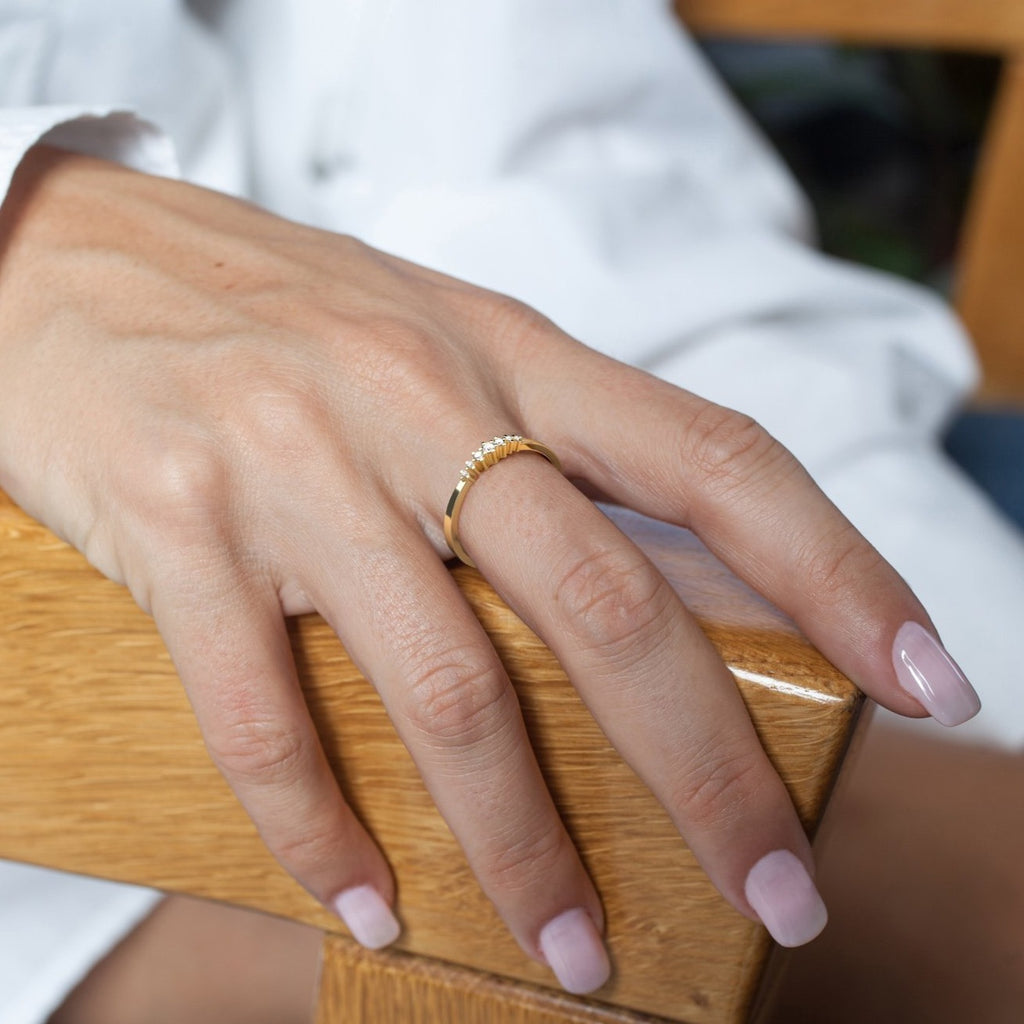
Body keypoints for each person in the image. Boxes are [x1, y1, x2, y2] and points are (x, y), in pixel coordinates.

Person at [2, 1, 1018, 1020]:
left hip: (482, 496)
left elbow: (554, 173)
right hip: (98, 804)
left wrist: (936, 665)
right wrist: (27, 240)